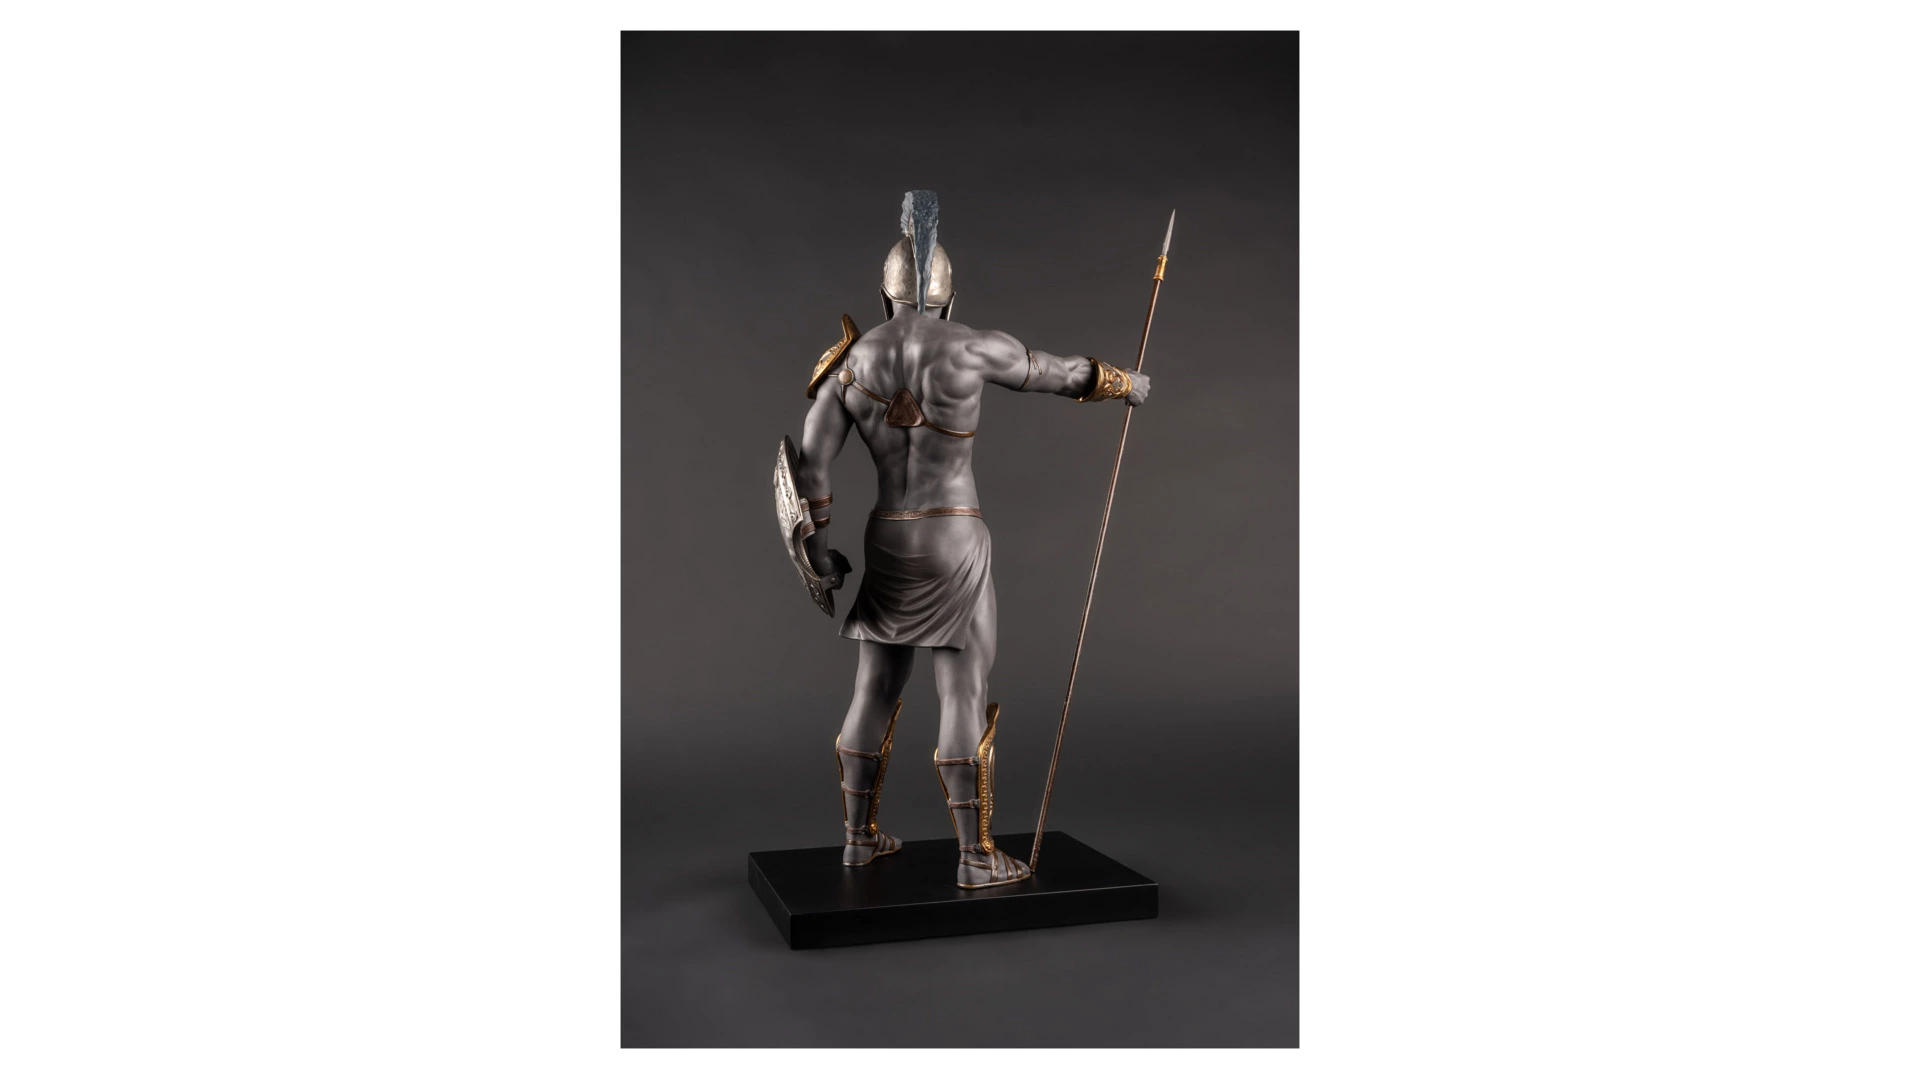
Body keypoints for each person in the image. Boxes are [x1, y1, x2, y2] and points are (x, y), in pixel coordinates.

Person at [781, 191, 1151, 888]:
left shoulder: (850, 365)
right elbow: (1058, 373)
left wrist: (821, 555)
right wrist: (1124, 382)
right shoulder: (974, 346)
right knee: (961, 690)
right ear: (949, 301)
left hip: (888, 537)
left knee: (873, 688)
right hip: (954, 537)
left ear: (884, 297)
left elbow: (810, 469)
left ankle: (858, 840)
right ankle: (975, 858)